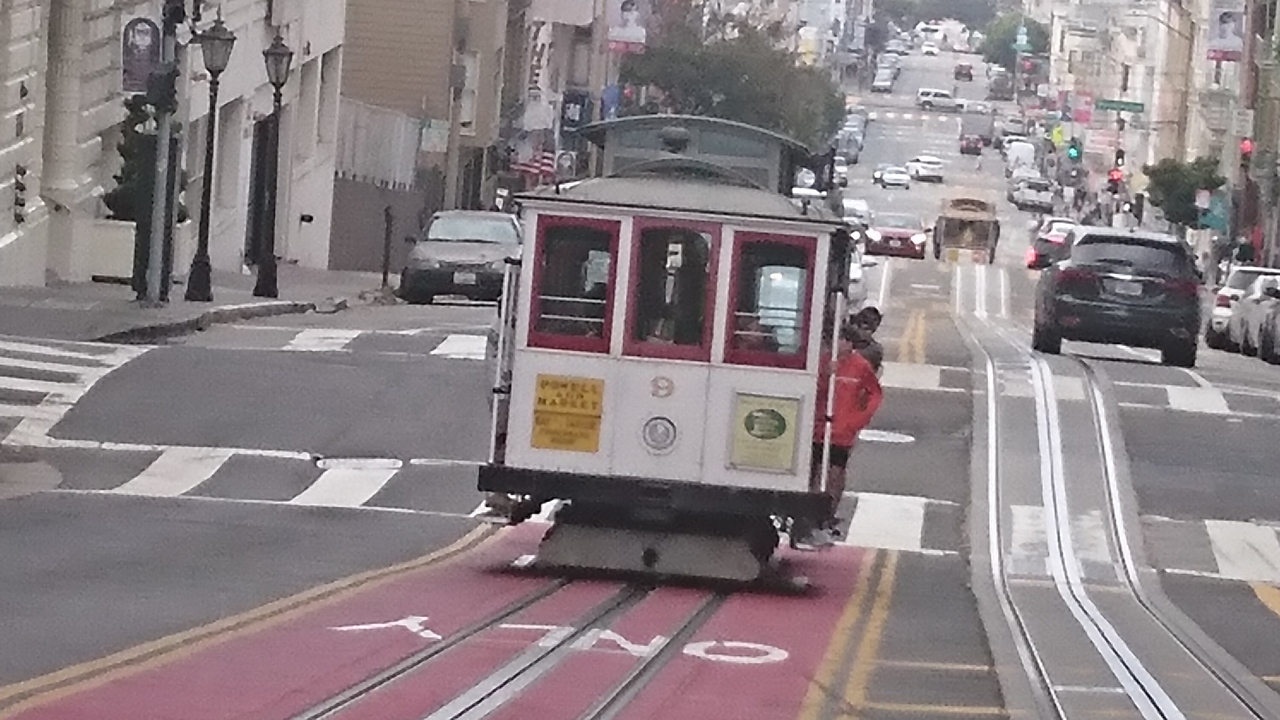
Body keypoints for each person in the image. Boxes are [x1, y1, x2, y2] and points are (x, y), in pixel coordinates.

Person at [794, 322, 885, 550]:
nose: (837, 345)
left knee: (836, 474)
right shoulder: (823, 363)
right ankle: (807, 521)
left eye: (842, 341)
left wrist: (858, 420)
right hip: (818, 429)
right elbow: (811, 390)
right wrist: (825, 375)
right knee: (813, 474)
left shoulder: (861, 366)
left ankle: (828, 516)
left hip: (842, 432)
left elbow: (874, 394)